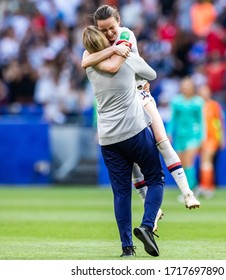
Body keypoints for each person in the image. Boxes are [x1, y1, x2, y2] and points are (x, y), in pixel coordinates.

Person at [81, 5, 200, 213]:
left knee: (162, 140)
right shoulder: (105, 47)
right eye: (103, 30)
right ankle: (151, 208)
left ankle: (187, 193)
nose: (109, 34)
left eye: (111, 28)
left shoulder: (126, 35)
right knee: (132, 162)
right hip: (123, 102)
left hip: (139, 94)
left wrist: (103, 54)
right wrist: (108, 51)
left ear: (119, 21)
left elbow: (112, 66)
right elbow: (85, 59)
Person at [82, 25, 163, 258]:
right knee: (155, 178)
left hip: (108, 138)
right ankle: (147, 226)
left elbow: (95, 59)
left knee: (121, 193)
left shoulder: (90, 64)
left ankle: (127, 247)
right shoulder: (127, 57)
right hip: (135, 130)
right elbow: (152, 75)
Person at [167, 77, 205, 196]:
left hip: (193, 135)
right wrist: (168, 133)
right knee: (181, 164)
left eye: (188, 85)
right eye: (183, 85)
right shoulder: (176, 101)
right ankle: (193, 187)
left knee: (189, 162)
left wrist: (203, 136)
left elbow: (201, 120)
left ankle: (189, 191)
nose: (185, 88)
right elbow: (172, 119)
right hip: (180, 136)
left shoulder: (198, 102)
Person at [198, 84, 226, 198]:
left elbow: (219, 122)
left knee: (207, 160)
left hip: (211, 138)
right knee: (203, 162)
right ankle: (206, 186)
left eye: (206, 91)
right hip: (199, 139)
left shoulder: (214, 106)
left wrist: (222, 137)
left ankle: (206, 187)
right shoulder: (196, 105)